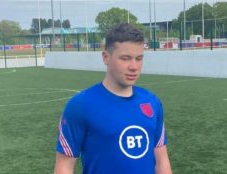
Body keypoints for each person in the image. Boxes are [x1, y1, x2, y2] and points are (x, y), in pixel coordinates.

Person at [54, 22, 172, 174]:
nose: (134, 66)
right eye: (125, 58)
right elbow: (64, 167)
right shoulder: (81, 106)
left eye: (139, 58)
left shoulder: (151, 102)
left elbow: (162, 161)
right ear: (106, 57)